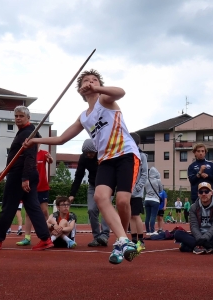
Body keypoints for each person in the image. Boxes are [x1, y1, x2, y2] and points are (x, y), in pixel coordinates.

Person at [23, 69, 140, 264]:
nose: (91, 82)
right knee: (100, 197)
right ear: (80, 90)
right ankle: (123, 241)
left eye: (94, 80)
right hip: (105, 160)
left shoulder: (105, 100)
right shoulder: (84, 117)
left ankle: (124, 240)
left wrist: (98, 88)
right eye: (87, 81)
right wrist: (35, 140)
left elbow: (121, 92)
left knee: (121, 201)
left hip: (126, 154)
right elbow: (61, 139)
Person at [0, 105, 52, 251]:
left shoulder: (28, 134)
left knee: (8, 207)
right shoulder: (25, 132)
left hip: (21, 175)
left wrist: (24, 178)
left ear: (28, 118)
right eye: (16, 116)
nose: (18, 118)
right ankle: (45, 238)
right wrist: (6, 170)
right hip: (23, 174)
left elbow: (30, 157)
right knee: (32, 207)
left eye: (21, 116)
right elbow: (17, 157)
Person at [63, 139, 110, 248]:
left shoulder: (103, 155)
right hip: (93, 185)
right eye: (86, 153)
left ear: (97, 151)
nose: (89, 155)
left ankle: (105, 235)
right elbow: (79, 176)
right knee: (91, 209)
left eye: (91, 153)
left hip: (107, 185)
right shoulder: (83, 158)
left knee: (105, 209)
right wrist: (72, 194)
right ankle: (97, 237)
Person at [174, 182, 213, 254]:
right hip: (199, 236)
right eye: (201, 192)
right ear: (198, 194)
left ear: (211, 193)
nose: (203, 194)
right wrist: (200, 239)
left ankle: (192, 247)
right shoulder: (193, 207)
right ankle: (211, 247)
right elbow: (194, 227)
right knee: (177, 233)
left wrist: (203, 239)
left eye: (206, 191)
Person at [129, 132, 148, 252]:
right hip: (126, 191)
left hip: (136, 193)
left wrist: (137, 188)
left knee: (136, 215)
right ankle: (134, 240)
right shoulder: (126, 155)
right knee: (130, 215)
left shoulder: (142, 156)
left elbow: (144, 174)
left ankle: (141, 241)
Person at [144, 167, 163, 235]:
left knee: (147, 216)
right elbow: (161, 190)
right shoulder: (158, 180)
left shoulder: (146, 180)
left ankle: (147, 230)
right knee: (153, 216)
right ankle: (152, 231)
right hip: (155, 200)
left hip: (147, 199)